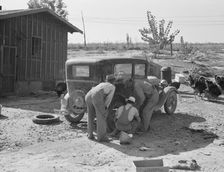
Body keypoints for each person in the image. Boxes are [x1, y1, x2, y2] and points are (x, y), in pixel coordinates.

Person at [85, 74, 116, 142]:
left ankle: (90, 134)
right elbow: (109, 98)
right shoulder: (112, 86)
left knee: (90, 116)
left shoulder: (102, 84)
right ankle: (102, 137)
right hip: (97, 96)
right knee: (101, 117)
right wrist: (105, 108)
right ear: (113, 81)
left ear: (106, 80)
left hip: (88, 95)